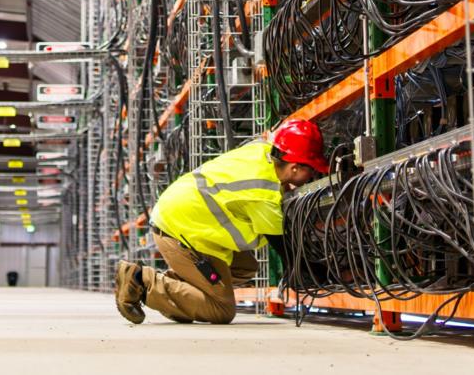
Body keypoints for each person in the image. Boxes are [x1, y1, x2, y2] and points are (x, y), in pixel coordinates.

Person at [113, 119, 328, 324]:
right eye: (311, 168)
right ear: (294, 168)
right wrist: (322, 274)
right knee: (221, 310)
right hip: (178, 230)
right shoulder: (262, 193)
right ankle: (141, 280)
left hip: (185, 220)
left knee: (245, 267)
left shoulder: (261, 151)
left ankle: (181, 297)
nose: (312, 175)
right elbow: (288, 253)